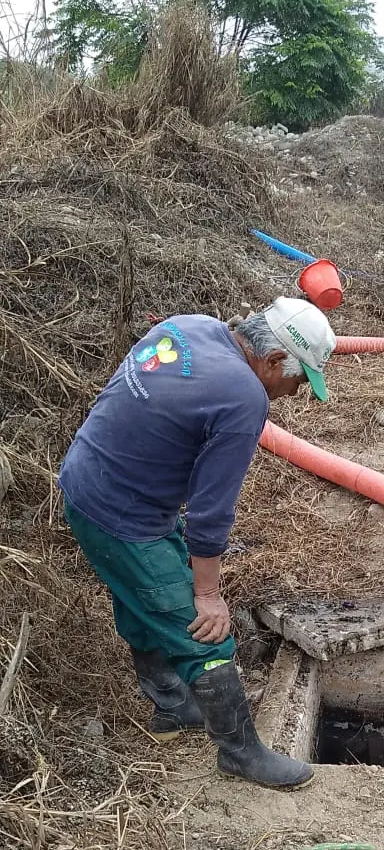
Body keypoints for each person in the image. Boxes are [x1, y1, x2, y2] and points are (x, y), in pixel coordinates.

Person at [59, 296, 336, 789]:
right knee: (200, 629)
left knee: (144, 601)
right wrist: (207, 594)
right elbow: (211, 513)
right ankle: (240, 753)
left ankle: (170, 705)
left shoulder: (190, 326)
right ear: (272, 360)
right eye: (297, 381)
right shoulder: (243, 398)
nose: (294, 394)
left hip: (91, 478)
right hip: (122, 513)